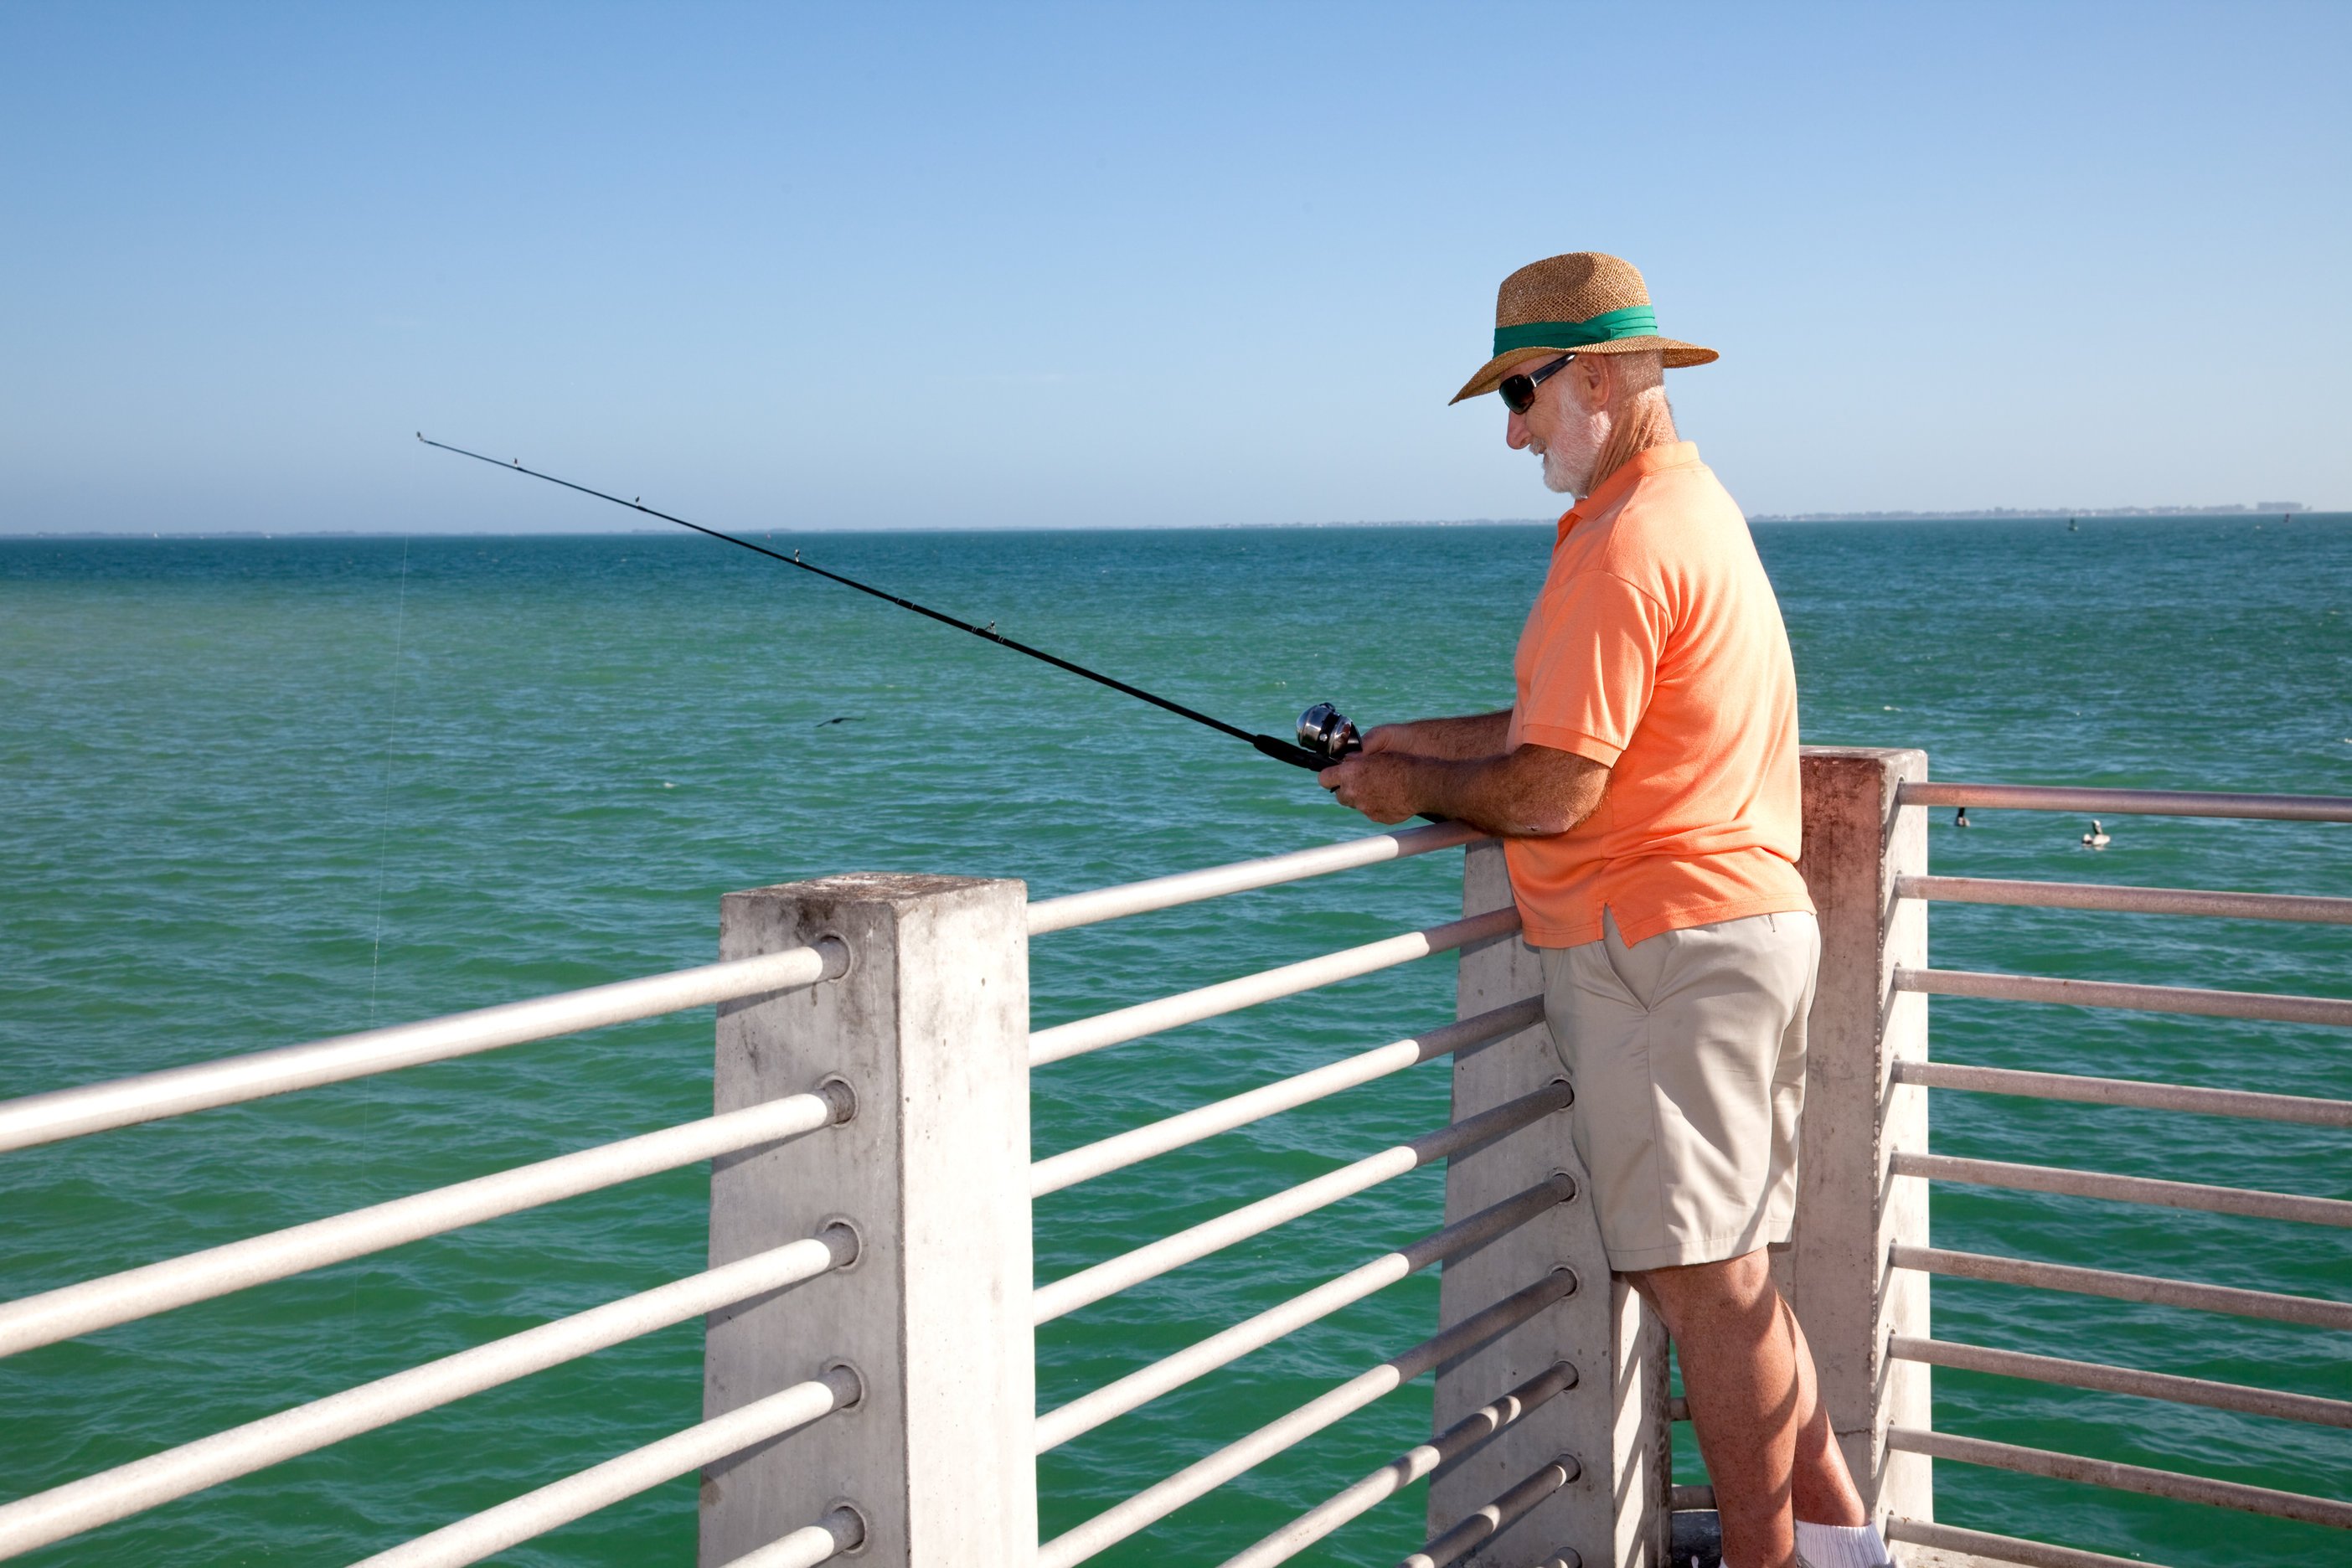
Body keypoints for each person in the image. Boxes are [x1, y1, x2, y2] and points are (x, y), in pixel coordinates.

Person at [1319, 252, 1890, 1568]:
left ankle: (1771, 1563)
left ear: (1605, 375)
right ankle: (1842, 1551)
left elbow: (1557, 787)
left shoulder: (1625, 543)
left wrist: (1407, 782)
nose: (1513, 429)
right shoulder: (1684, 511)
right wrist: (1407, 744)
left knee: (1711, 1289)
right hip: (1722, 934)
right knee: (1730, 1274)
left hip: (1664, 952)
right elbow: (1565, 731)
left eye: (1522, 392)